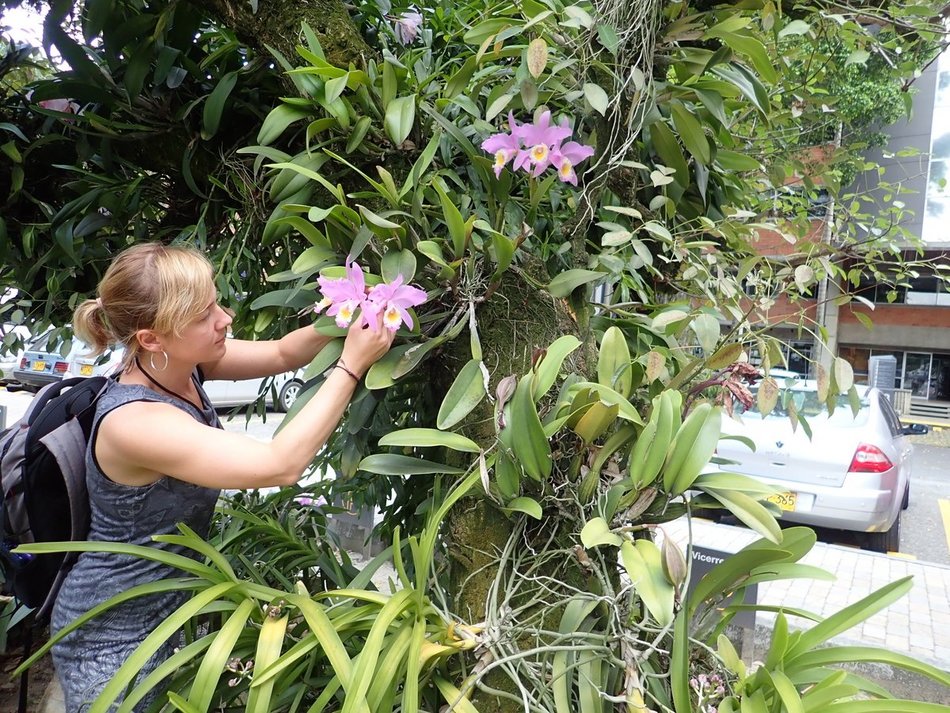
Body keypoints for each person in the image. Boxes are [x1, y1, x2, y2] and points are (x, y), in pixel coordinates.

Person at [51, 242, 393, 712]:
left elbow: (279, 353)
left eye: (215, 300)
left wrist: (350, 309)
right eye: (203, 314)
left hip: (171, 613)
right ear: (151, 338)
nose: (225, 317)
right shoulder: (134, 423)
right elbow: (281, 465)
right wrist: (352, 364)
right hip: (113, 634)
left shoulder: (179, 364)